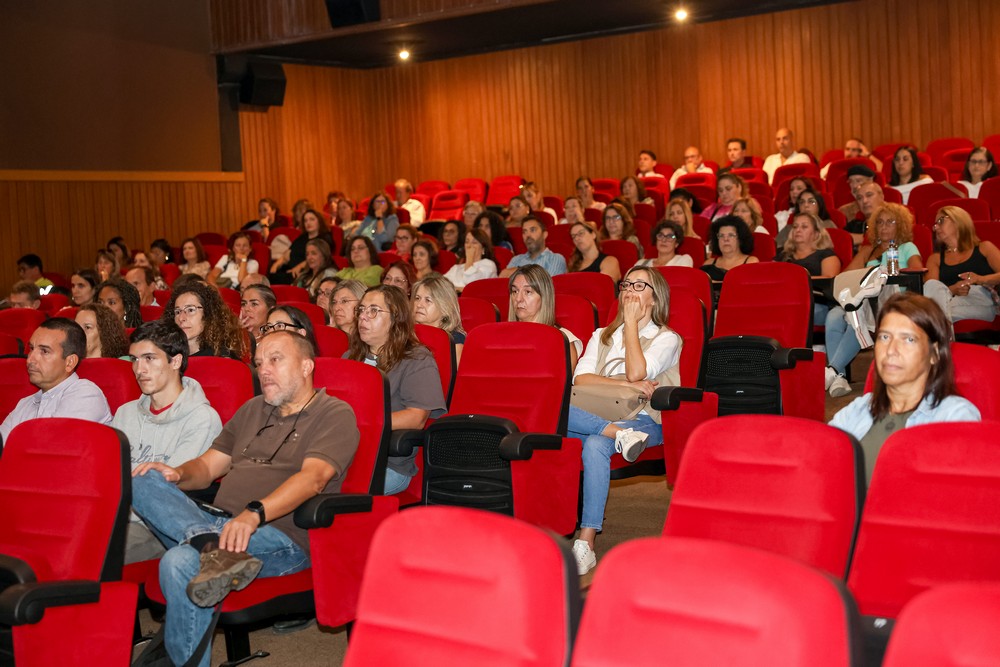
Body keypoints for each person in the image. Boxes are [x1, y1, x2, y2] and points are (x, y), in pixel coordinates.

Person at [130, 330, 359, 667]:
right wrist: (176, 473)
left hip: (281, 535)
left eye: (276, 360)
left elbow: (314, 479)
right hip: (215, 521)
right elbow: (208, 467)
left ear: (307, 365)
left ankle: (203, 548)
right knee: (142, 477)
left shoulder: (334, 413)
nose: (264, 370)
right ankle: (207, 543)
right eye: (259, 363)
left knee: (179, 561)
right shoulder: (253, 409)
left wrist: (254, 514)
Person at [568, 267, 681, 575]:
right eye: (626, 284)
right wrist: (628, 387)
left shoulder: (667, 338)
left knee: (594, 444)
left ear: (655, 299)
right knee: (551, 410)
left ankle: (586, 542)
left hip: (644, 422)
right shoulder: (600, 335)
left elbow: (636, 372)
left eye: (639, 285)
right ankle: (615, 432)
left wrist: (630, 323)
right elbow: (580, 380)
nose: (630, 289)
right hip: (598, 415)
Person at [829, 293, 980, 484]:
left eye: (908, 339)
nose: (891, 349)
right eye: (884, 337)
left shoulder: (955, 415)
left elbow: (954, 498)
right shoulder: (859, 409)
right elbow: (820, 462)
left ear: (934, 354)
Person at [115, 320, 223, 563]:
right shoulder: (124, 413)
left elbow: (167, 492)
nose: (139, 369)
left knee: (89, 556)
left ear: (175, 361)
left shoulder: (202, 418)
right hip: (113, 517)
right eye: (134, 359)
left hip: (156, 527)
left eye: (149, 358)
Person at [347, 285, 446, 495]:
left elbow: (416, 418)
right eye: (361, 310)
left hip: (387, 464)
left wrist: (363, 422)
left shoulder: (416, 359)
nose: (363, 317)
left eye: (373, 310)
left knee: (320, 491)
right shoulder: (349, 358)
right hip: (343, 456)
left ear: (396, 318)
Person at [824, 203, 924, 398]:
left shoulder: (906, 247)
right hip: (863, 301)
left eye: (890, 222)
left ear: (901, 225)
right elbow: (845, 278)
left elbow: (918, 271)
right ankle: (839, 377)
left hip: (894, 302)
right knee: (834, 316)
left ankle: (832, 370)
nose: (884, 226)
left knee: (856, 314)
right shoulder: (867, 252)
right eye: (879, 222)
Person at [0, 318, 112, 443]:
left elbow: (50, 449)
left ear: (70, 362)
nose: (30, 359)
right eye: (31, 348)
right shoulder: (25, 404)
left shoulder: (86, 394)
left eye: (44, 351)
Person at [923, 206, 1000, 323]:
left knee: (933, 314)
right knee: (931, 285)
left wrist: (979, 279)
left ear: (957, 220)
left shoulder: (984, 248)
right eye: (934, 225)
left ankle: (932, 321)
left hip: (980, 300)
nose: (936, 228)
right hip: (949, 302)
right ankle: (938, 322)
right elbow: (932, 292)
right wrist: (952, 290)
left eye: (941, 221)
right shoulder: (935, 259)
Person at [508, 264, 582, 372]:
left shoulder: (562, 340)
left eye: (528, 292)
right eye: (515, 291)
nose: (518, 299)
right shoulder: (502, 337)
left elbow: (561, 387)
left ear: (544, 297)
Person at [777, 213, 841, 322]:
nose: (798, 230)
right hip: (784, 301)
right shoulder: (782, 255)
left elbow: (829, 280)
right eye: (795, 226)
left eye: (804, 227)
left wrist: (798, 280)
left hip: (817, 303)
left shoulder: (826, 254)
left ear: (816, 233)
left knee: (788, 313)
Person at [161, 281, 246, 359]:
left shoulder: (223, 358)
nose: (181, 318)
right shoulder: (166, 356)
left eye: (190, 310)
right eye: (178, 312)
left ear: (208, 314)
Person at [271, 209, 334, 284]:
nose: (308, 223)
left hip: (306, 271)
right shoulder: (302, 237)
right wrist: (276, 265)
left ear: (319, 221)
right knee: (271, 276)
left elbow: (317, 257)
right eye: (305, 220)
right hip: (289, 269)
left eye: (312, 219)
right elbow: (287, 254)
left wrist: (299, 267)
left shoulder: (325, 238)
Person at [412, 274, 466, 362]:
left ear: (445, 307)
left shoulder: (454, 341)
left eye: (428, 300)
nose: (419, 305)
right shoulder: (406, 334)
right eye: (417, 298)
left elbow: (451, 375)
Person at [500, 215, 568, 278]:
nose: (528, 235)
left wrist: (517, 272)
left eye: (533, 230)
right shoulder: (516, 260)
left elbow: (548, 287)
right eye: (524, 232)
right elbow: (503, 283)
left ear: (544, 234)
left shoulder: (555, 259)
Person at [700, 215, 760, 281]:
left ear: (740, 238)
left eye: (731, 235)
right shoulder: (708, 265)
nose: (725, 239)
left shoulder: (750, 262)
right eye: (721, 235)